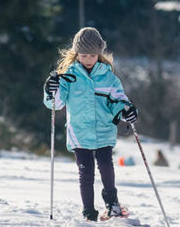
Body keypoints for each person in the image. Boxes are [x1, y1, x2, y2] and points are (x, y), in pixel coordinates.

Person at [43, 27, 138, 221]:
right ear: (76, 54)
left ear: (99, 54)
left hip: (104, 129)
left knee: (105, 165)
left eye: (92, 55)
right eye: (84, 55)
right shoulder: (68, 77)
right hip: (79, 131)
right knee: (85, 171)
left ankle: (112, 204)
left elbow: (118, 100)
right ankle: (88, 212)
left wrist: (126, 110)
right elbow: (57, 103)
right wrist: (50, 89)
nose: (88, 59)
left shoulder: (108, 77)